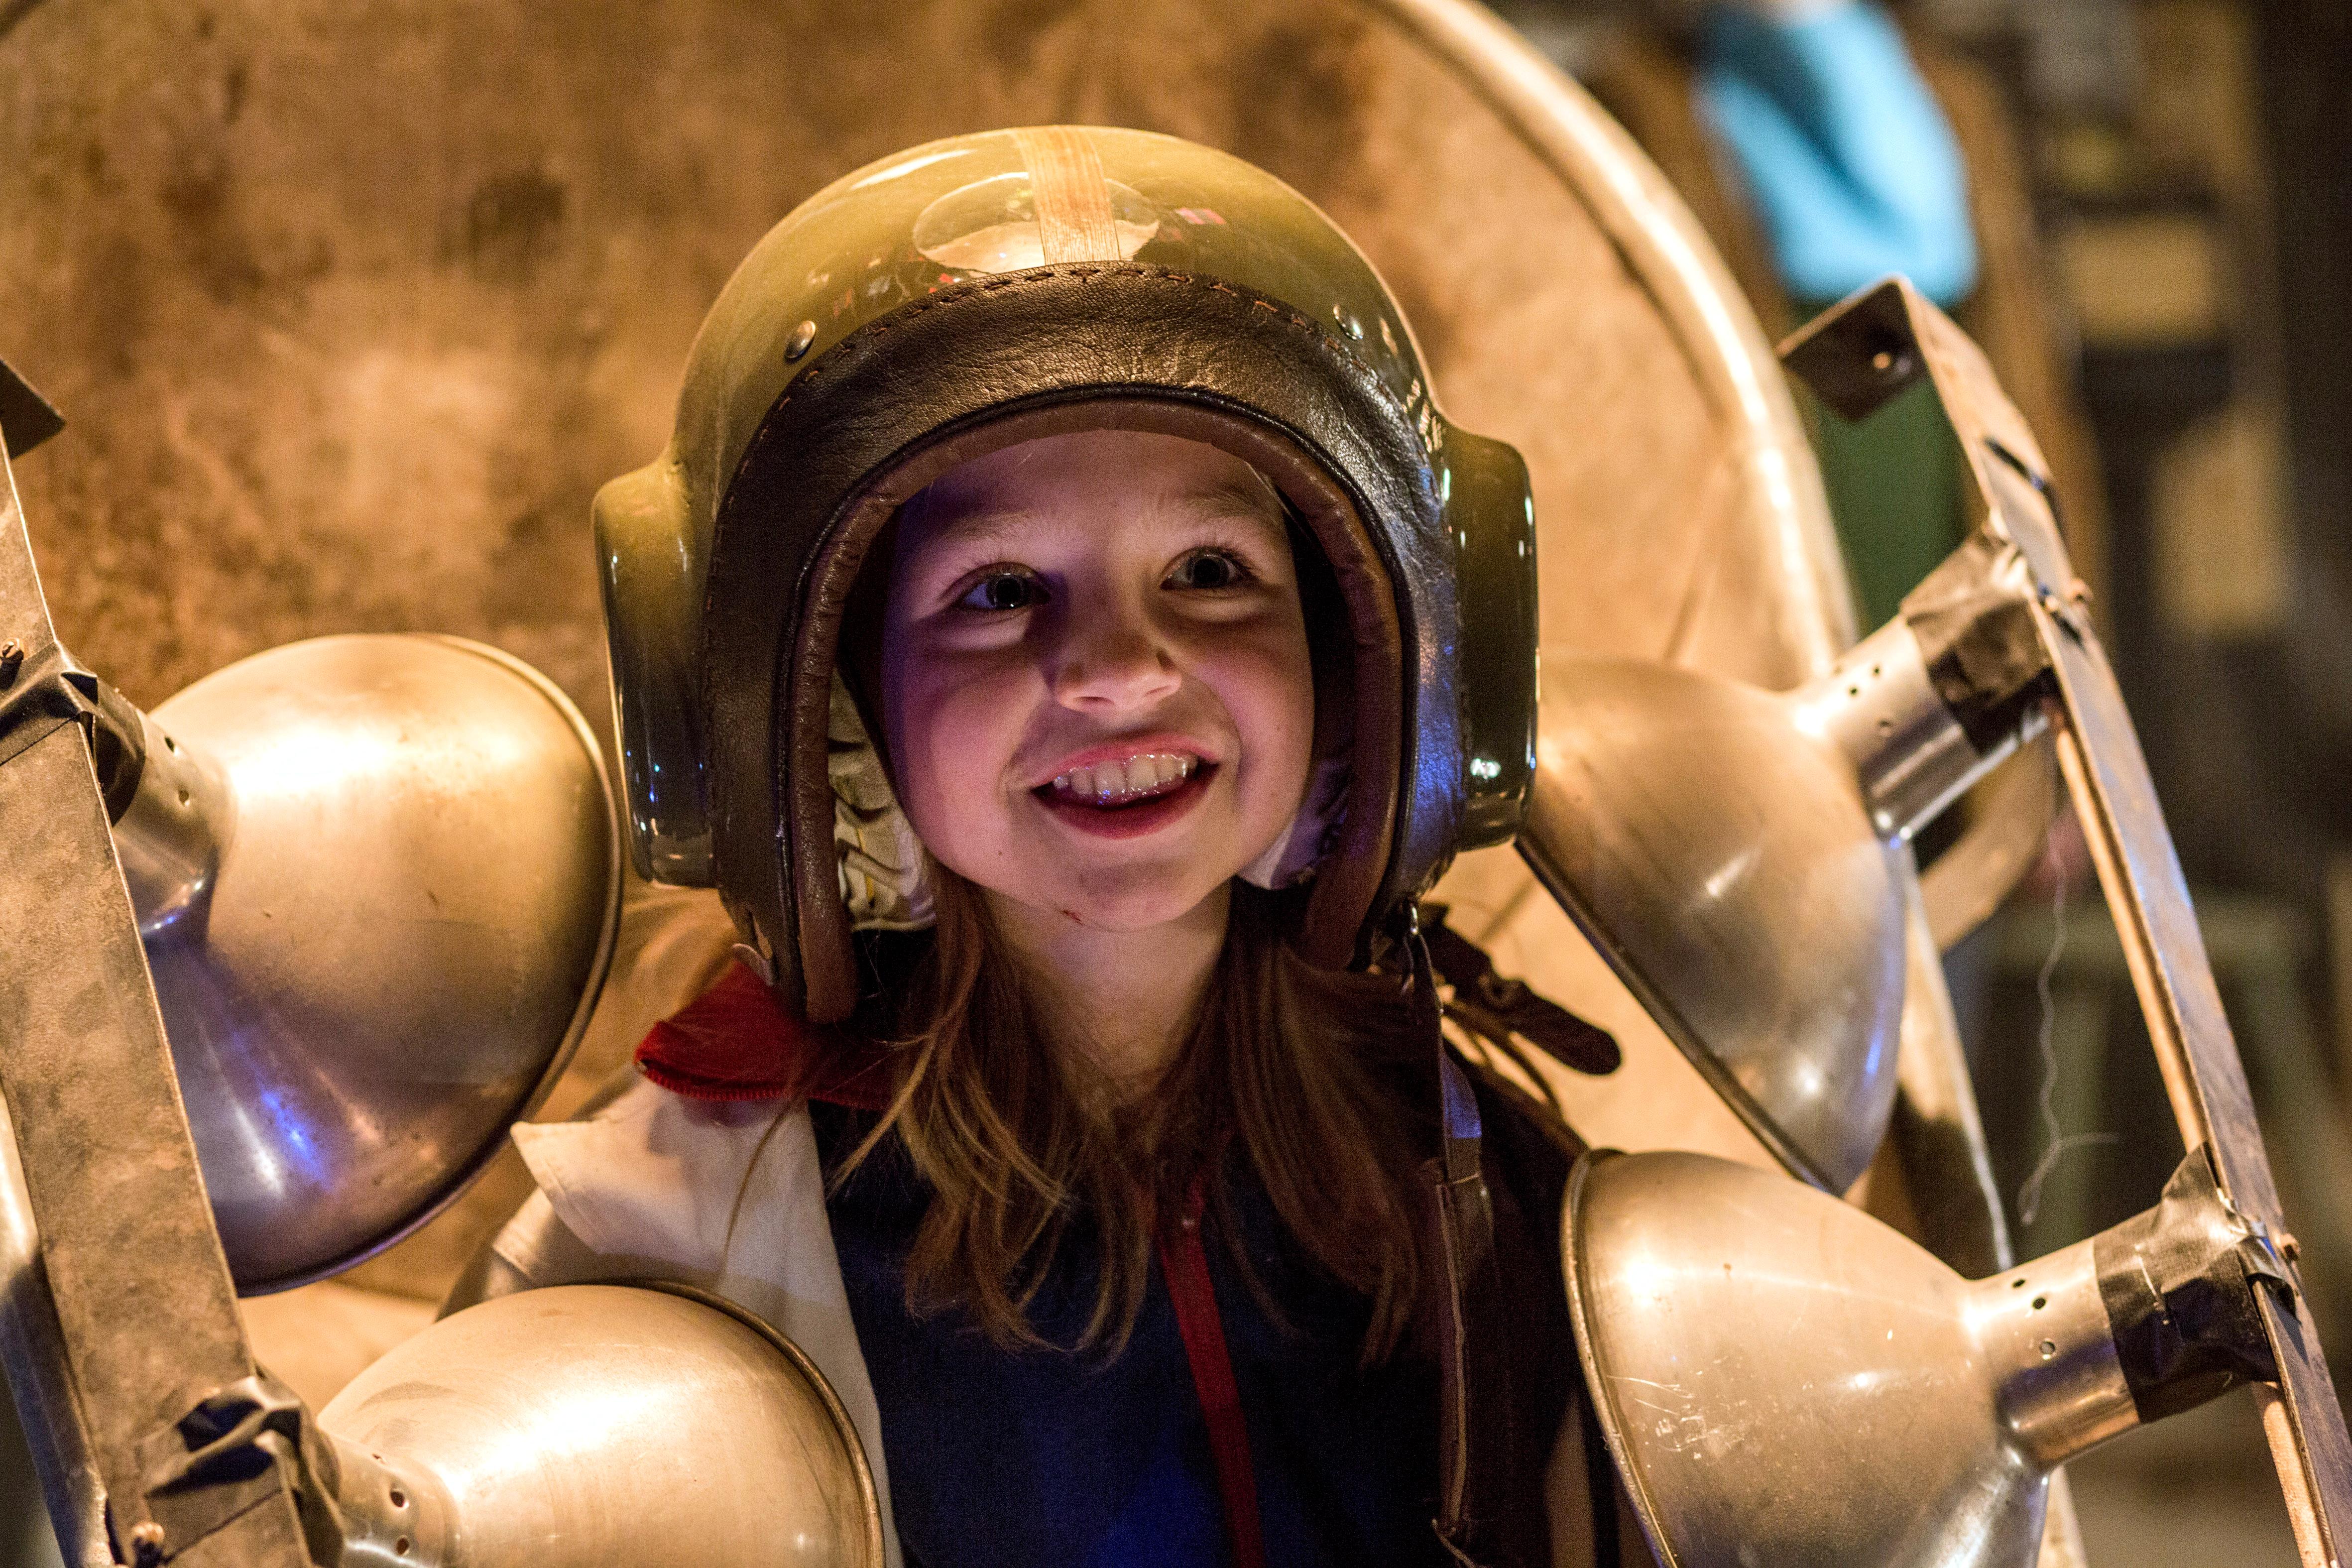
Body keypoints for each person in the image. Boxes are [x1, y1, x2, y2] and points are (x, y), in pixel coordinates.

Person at [465, 125, 1632, 1568]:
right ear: (821, 713)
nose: (1117, 670)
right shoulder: (661, 1252)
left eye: (1211, 573)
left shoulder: (1474, 1179)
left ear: (1360, 664)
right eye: (999, 588)